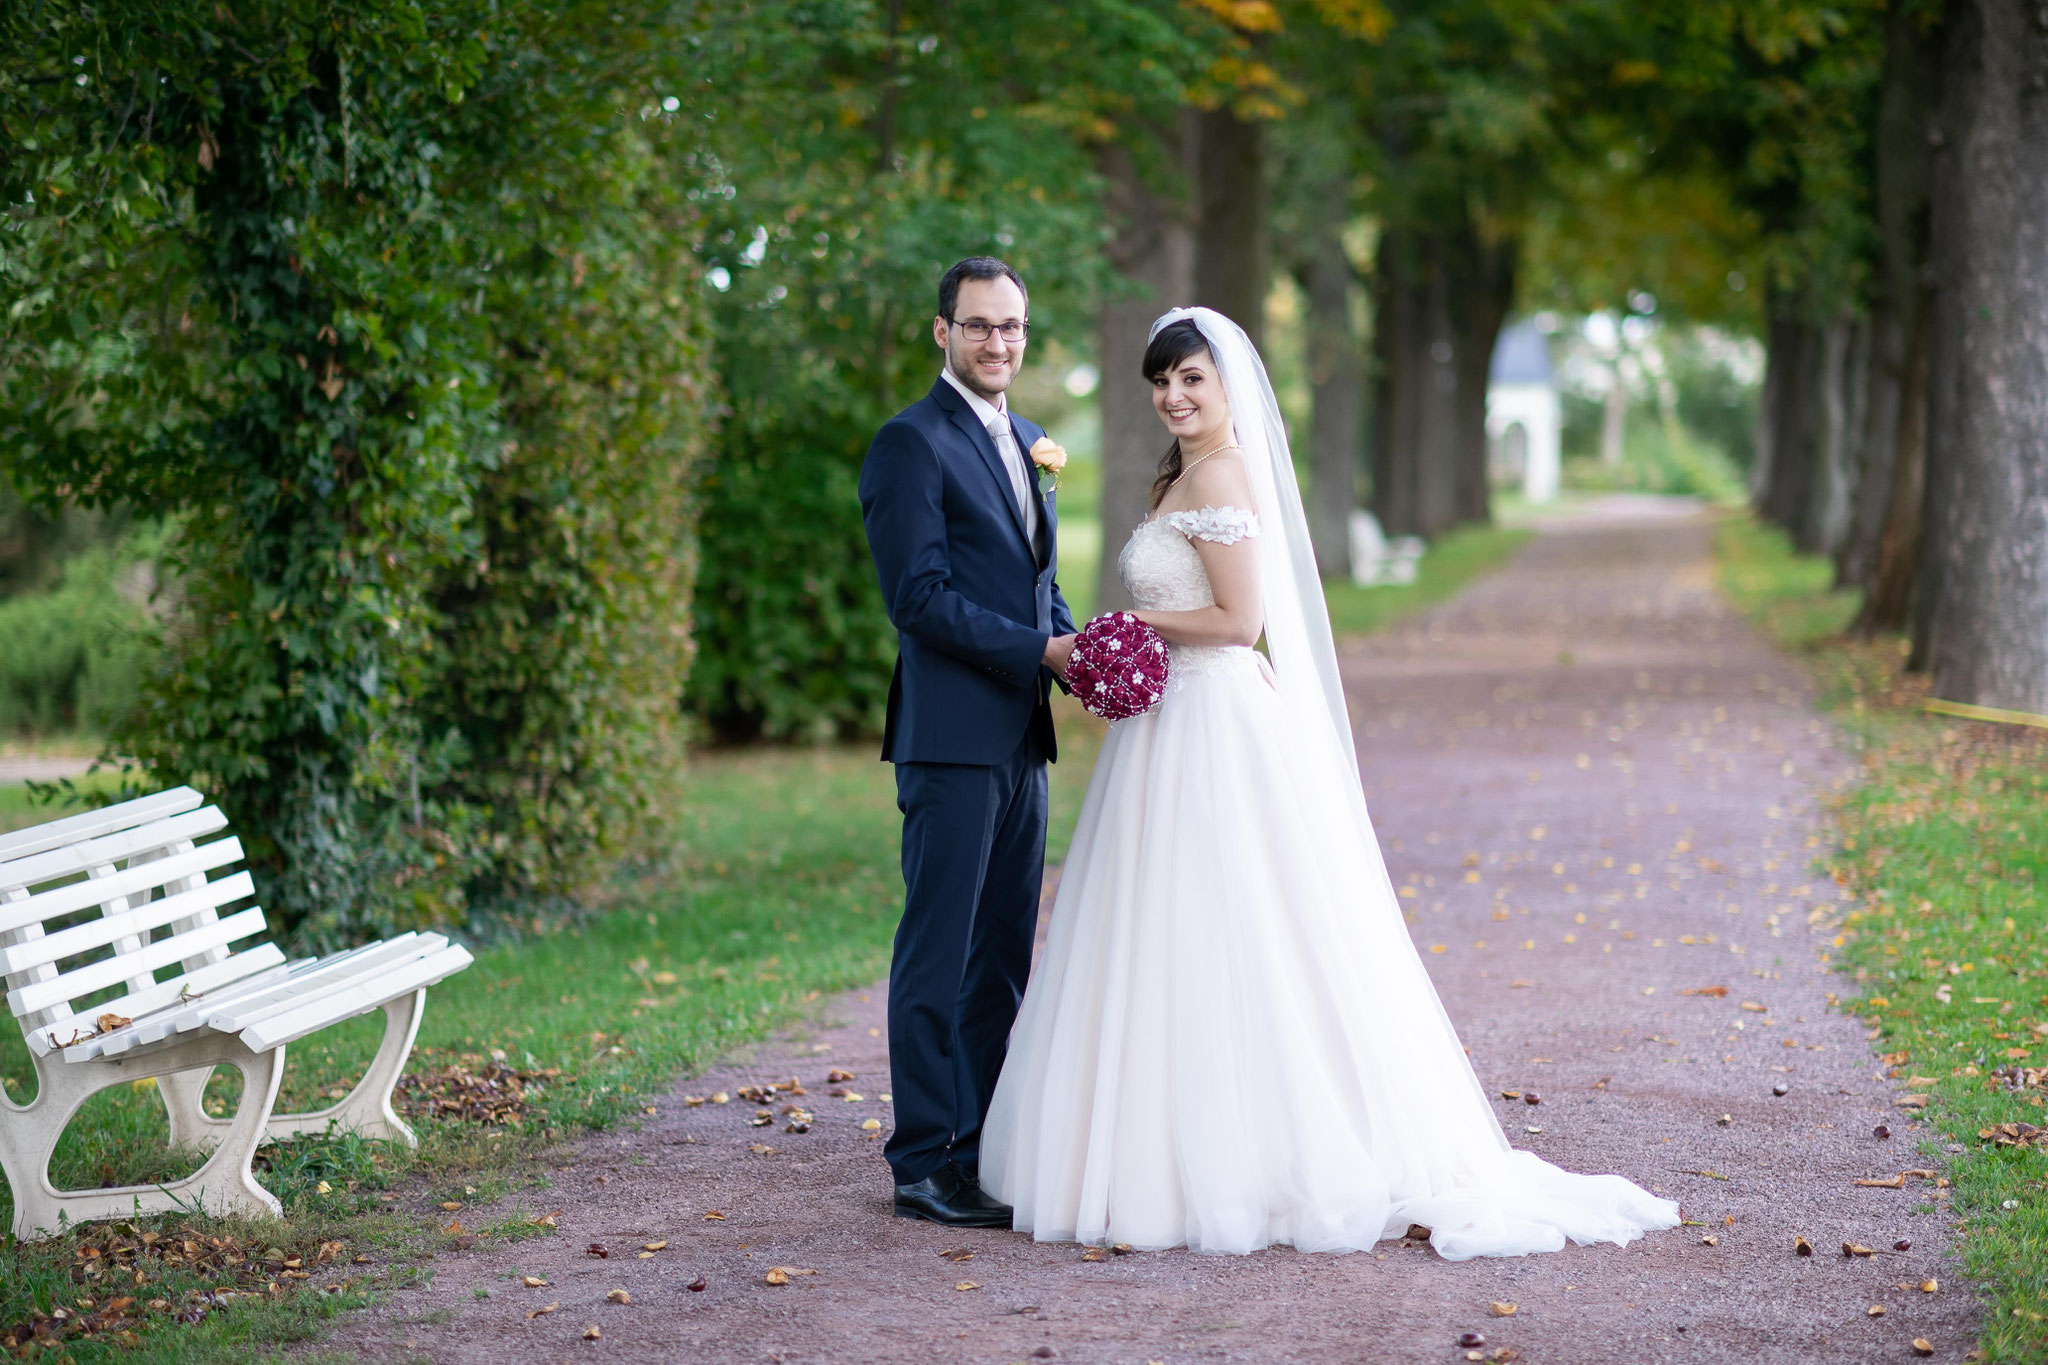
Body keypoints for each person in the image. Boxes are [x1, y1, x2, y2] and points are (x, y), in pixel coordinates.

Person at [978, 307, 1682, 1260]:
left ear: (1228, 385)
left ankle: (1245, 1159)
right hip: (1167, 726)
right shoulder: (1186, 472)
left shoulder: (1222, 474)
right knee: (1166, 924)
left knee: (1232, 925)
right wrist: (1133, 634)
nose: (1173, 397)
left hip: (1209, 721)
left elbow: (1237, 620)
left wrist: (1119, 630)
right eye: (1162, 382)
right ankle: (1164, 1142)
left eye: (1191, 379)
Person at [856, 257, 1078, 1227]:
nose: (998, 343)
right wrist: (1041, 648)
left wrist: (1084, 654)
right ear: (940, 332)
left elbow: (1034, 584)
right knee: (938, 954)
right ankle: (922, 1162)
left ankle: (983, 1142)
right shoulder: (908, 443)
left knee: (1000, 958)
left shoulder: (1029, 440)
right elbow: (919, 600)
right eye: (980, 325)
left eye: (1012, 327)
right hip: (948, 739)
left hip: (1022, 736)